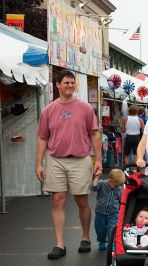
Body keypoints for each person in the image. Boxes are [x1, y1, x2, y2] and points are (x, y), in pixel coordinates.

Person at [35, 70, 102, 259]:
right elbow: (42, 138)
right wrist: (38, 164)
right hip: (56, 160)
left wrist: (98, 159)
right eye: (66, 83)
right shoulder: (48, 110)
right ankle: (59, 244)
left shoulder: (85, 108)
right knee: (57, 200)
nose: (70, 85)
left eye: (73, 83)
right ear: (57, 85)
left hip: (80, 159)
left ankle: (86, 237)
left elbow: (94, 134)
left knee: (82, 201)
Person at [92, 169, 125, 250]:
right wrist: (96, 177)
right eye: (115, 185)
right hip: (100, 212)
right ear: (110, 179)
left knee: (112, 229)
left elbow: (121, 200)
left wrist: (122, 210)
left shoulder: (118, 189)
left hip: (113, 213)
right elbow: (94, 187)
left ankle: (112, 243)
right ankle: (102, 241)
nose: (117, 186)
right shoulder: (102, 184)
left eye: (118, 185)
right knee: (100, 229)